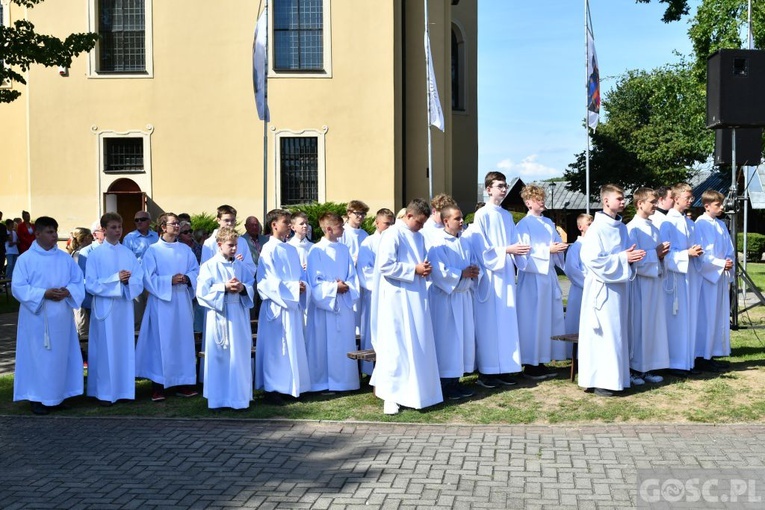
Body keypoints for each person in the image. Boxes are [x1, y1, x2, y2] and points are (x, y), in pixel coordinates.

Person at [370, 198, 442, 415]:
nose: (421, 227)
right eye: (419, 222)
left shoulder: (418, 236)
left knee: (418, 341)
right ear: (409, 216)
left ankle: (416, 392)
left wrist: (424, 268)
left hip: (416, 295)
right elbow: (385, 265)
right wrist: (414, 269)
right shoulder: (392, 233)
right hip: (396, 298)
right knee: (396, 345)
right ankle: (390, 396)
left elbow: (418, 261)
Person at [12, 216, 85, 415]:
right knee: (38, 357)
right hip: (36, 318)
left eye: (55, 232)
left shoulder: (64, 259)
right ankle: (36, 397)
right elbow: (18, 287)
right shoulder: (26, 259)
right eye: (50, 232)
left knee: (60, 357)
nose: (55, 236)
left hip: (61, 316)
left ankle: (58, 395)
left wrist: (68, 291)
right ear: (38, 234)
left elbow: (78, 282)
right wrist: (43, 293)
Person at [578, 184, 645, 397]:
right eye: (619, 198)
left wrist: (631, 258)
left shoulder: (621, 228)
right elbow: (591, 260)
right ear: (606, 201)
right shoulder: (596, 229)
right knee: (603, 334)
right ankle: (600, 380)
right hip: (602, 290)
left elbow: (626, 254)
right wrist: (623, 258)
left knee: (616, 334)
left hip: (619, 289)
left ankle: (617, 378)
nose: (623, 201)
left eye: (624, 198)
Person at [469, 172, 530, 388]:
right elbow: (481, 248)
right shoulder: (482, 215)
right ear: (488, 190)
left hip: (505, 275)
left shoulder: (505, 216)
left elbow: (514, 241)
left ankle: (505, 368)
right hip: (490, 278)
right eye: (500, 186)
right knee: (489, 325)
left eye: (505, 186)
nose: (504, 190)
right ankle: (487, 372)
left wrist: (520, 251)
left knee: (505, 323)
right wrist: (506, 250)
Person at [135, 213, 200, 402]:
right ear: (163, 227)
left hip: (182, 301)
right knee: (161, 343)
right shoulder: (153, 251)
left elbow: (196, 271)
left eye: (178, 224)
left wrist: (187, 279)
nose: (178, 226)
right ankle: (159, 385)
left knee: (182, 342)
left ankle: (183, 383)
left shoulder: (186, 250)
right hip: (162, 303)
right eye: (174, 224)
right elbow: (147, 277)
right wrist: (168, 281)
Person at [84, 213, 144, 405]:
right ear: (103, 229)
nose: (117, 231)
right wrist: (115, 279)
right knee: (105, 349)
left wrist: (128, 282)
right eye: (113, 227)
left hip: (123, 307)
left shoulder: (127, 253)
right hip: (104, 307)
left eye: (119, 227)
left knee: (123, 347)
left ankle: (124, 390)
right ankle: (104, 393)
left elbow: (139, 279)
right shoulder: (95, 255)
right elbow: (91, 284)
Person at [254, 209, 312, 404]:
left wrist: (303, 286)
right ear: (274, 225)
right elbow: (265, 282)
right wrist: (294, 288)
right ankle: (272, 389)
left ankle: (290, 386)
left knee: (291, 347)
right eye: (285, 221)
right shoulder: (268, 250)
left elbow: (300, 276)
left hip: (292, 306)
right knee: (276, 349)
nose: (289, 225)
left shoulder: (291, 249)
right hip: (276, 307)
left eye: (289, 221)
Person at [196, 227, 256, 410]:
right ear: (219, 244)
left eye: (236, 245)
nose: (234, 249)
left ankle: (239, 399)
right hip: (219, 315)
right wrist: (223, 287)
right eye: (230, 245)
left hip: (238, 314)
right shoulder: (209, 266)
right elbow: (202, 293)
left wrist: (242, 288)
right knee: (220, 357)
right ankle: (219, 400)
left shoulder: (240, 265)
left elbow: (251, 285)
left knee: (239, 355)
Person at [514, 184, 569, 380]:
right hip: (532, 280)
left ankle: (543, 358)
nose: (542, 201)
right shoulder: (523, 226)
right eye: (538, 199)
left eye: (542, 198)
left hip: (548, 278)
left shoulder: (548, 222)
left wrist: (559, 248)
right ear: (528, 202)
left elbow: (554, 244)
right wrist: (548, 251)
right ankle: (531, 362)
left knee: (547, 319)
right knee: (533, 319)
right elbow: (522, 256)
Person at [427, 204, 479, 400]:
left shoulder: (464, 242)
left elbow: (472, 262)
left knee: (461, 340)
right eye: (457, 218)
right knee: (447, 341)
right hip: (445, 300)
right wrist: (462, 274)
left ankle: (456, 381)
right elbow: (439, 272)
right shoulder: (437, 244)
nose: (461, 221)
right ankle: (444, 383)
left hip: (463, 297)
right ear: (445, 220)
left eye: (461, 218)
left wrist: (473, 271)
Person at [305, 212, 361, 393]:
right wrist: (333, 287)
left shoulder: (344, 250)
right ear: (328, 229)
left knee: (343, 342)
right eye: (339, 226)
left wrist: (346, 286)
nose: (343, 229)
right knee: (323, 345)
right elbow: (314, 282)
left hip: (343, 305)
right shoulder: (316, 251)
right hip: (325, 308)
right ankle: (322, 382)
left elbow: (353, 276)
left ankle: (345, 382)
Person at [626, 188, 670, 385]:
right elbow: (635, 259)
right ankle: (634, 369)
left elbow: (657, 255)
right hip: (640, 284)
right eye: (651, 202)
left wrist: (661, 256)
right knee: (639, 326)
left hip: (654, 282)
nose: (655, 205)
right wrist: (656, 254)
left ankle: (649, 366)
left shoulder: (654, 227)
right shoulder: (632, 228)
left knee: (652, 326)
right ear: (639, 204)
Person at [659, 183, 703, 377]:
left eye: (691, 198)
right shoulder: (668, 222)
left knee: (689, 319)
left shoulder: (688, 222)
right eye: (688, 198)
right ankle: (675, 362)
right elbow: (666, 254)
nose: (691, 201)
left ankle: (687, 360)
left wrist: (696, 252)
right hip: (674, 281)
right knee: (676, 321)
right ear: (676, 198)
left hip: (688, 278)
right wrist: (687, 253)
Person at [693, 189, 734, 372]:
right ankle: (702, 355)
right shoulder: (700, 224)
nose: (721, 207)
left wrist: (728, 261)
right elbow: (702, 253)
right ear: (706, 205)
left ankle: (712, 353)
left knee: (717, 316)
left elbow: (729, 248)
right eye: (717, 205)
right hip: (707, 278)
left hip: (719, 276)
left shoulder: (720, 224)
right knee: (706, 317)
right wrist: (719, 263)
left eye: (721, 204)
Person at [357, 208, 395, 376]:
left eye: (392, 223)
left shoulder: (394, 240)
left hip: (392, 293)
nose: (389, 227)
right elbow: (365, 270)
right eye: (386, 223)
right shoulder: (368, 243)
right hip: (374, 295)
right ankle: (371, 370)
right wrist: (382, 284)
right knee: (374, 330)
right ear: (377, 223)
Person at [123, 211, 159, 328]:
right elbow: (126, 260)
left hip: (153, 279)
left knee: (153, 314)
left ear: (149, 221)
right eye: (136, 220)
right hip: (137, 280)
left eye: (142, 219)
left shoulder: (156, 237)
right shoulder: (129, 238)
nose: (139, 222)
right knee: (138, 315)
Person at [563, 214, 592, 337]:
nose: (592, 227)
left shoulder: (594, 245)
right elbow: (571, 270)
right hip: (581, 288)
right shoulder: (576, 247)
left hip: (595, 287)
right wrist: (588, 283)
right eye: (589, 224)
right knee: (578, 321)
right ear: (580, 227)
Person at [67, 227, 93, 340]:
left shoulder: (76, 253)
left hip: (83, 294)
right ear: (86, 238)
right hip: (81, 294)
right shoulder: (80, 254)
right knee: (83, 325)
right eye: (91, 237)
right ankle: (83, 351)